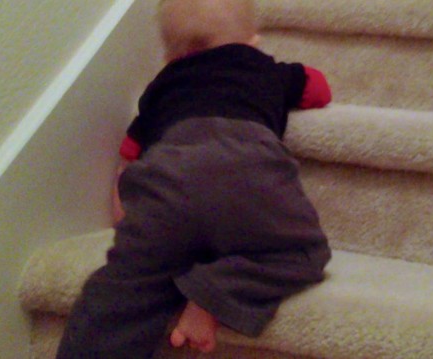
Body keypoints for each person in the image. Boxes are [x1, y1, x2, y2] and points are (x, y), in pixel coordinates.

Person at [56, 0, 332, 357]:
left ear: (170, 56)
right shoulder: (265, 67)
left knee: (123, 289)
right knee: (303, 252)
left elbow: (130, 153)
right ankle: (212, 296)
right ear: (251, 41)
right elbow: (320, 89)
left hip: (169, 181)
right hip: (250, 174)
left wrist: (126, 214)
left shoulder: (161, 86)